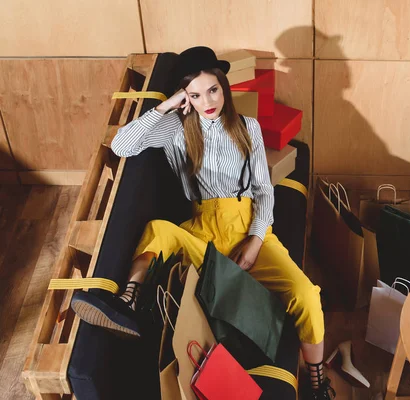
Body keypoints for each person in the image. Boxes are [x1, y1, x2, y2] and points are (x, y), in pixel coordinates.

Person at [70, 46, 335, 399]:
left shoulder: (247, 127)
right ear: (186, 97)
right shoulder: (176, 130)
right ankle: (128, 301)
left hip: (250, 228)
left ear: (223, 86)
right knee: (160, 231)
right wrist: (165, 105)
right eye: (195, 94)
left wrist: (256, 241)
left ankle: (316, 380)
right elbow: (121, 145)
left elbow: (263, 191)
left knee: (305, 294)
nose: (207, 101)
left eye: (212, 89)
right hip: (204, 230)